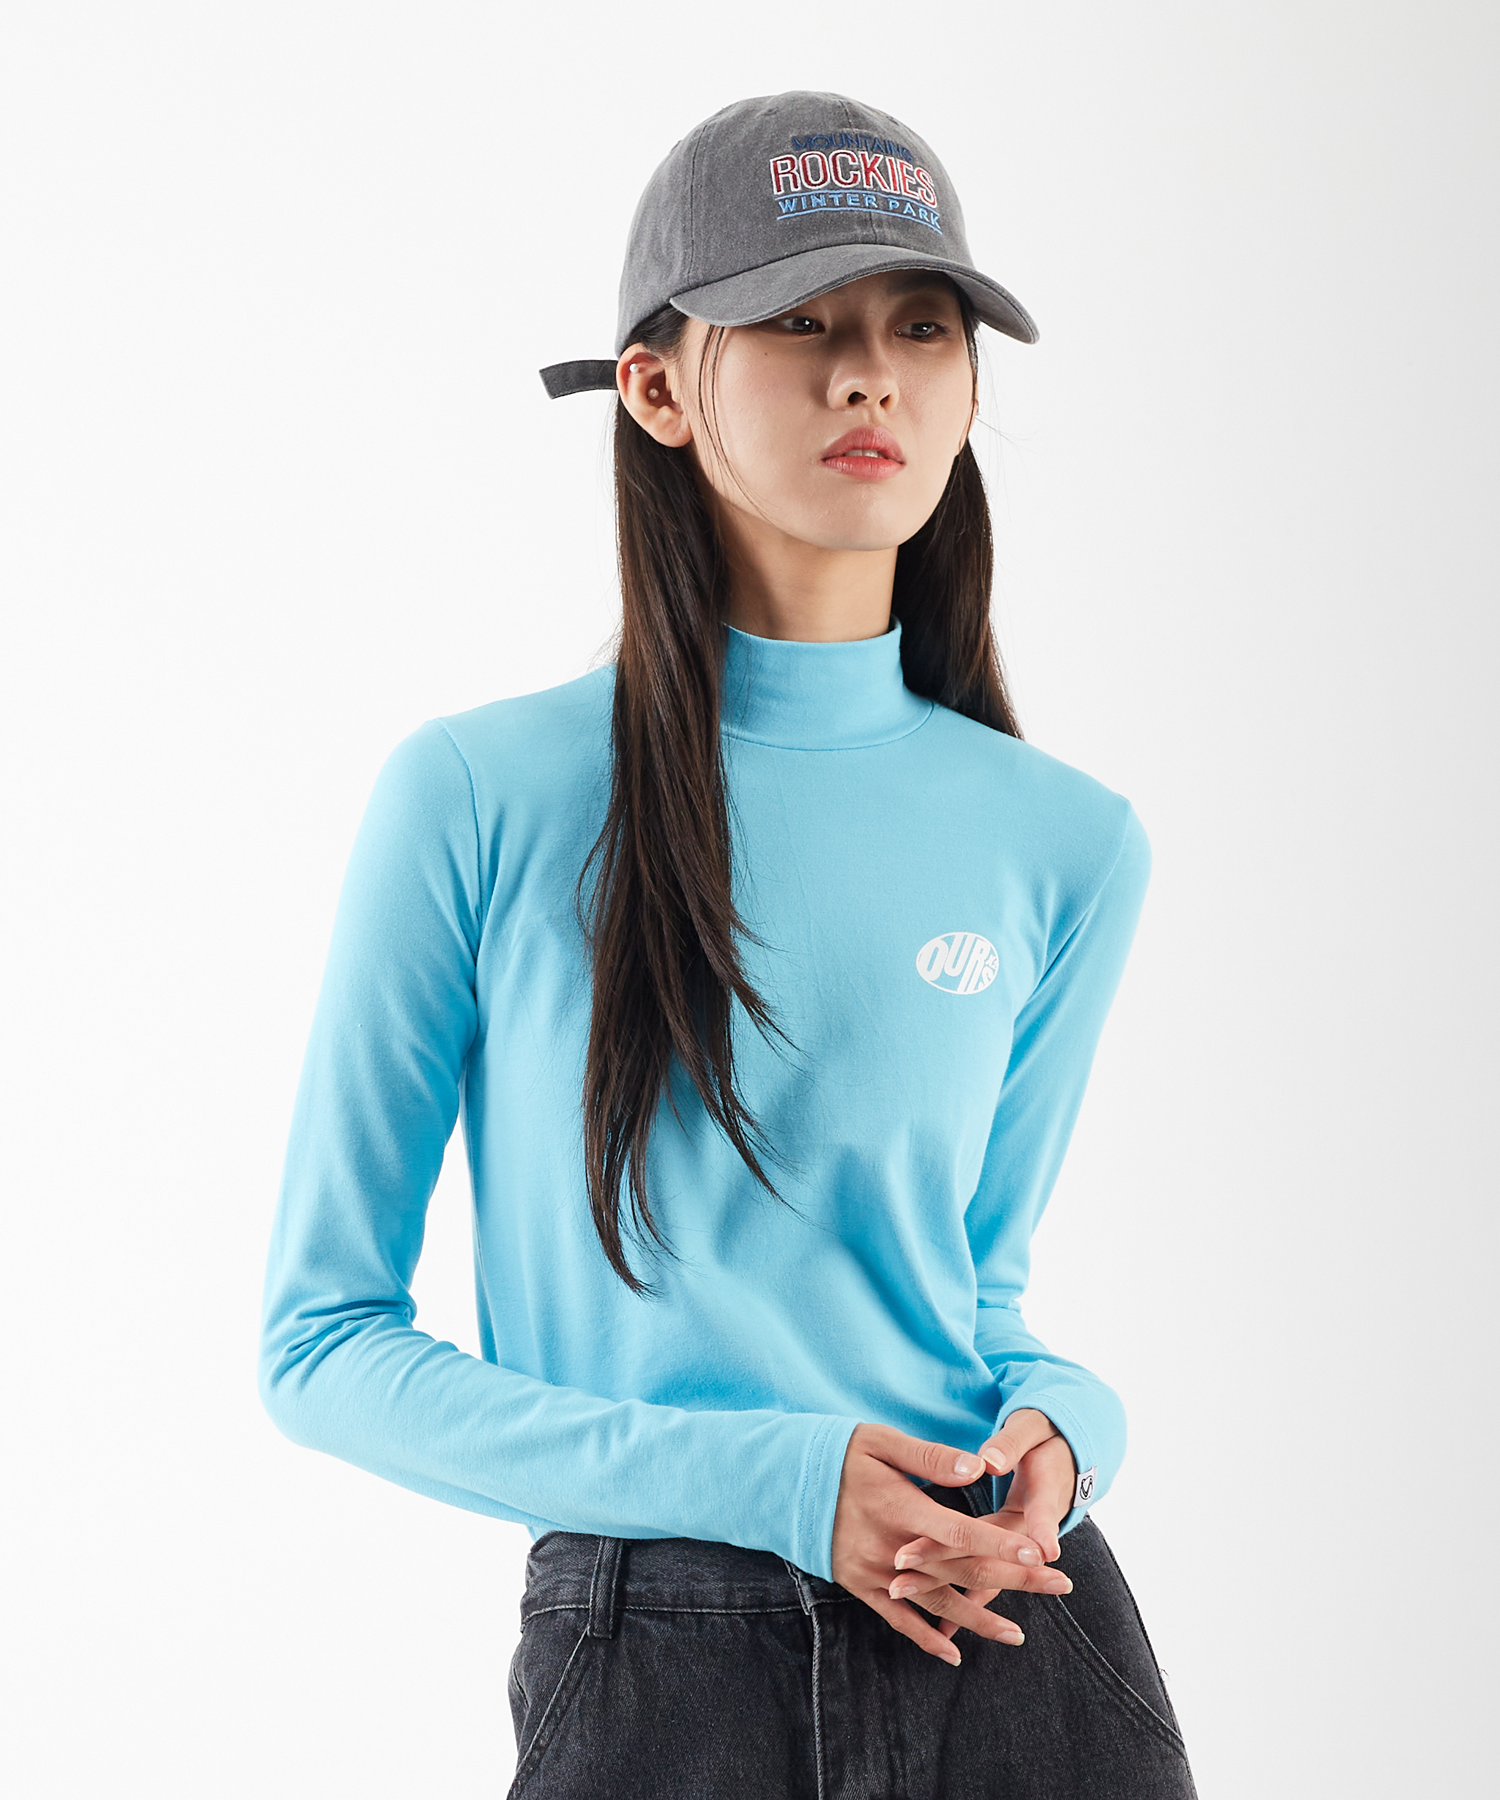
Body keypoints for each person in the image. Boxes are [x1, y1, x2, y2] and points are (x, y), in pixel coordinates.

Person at [259, 89, 1198, 1799]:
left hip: (1018, 1633)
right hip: (661, 1655)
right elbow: (322, 1346)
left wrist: (1075, 1425)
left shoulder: (1068, 842)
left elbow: (975, 1295)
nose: (871, 377)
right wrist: (776, 1484)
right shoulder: (479, 793)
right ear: (656, 387)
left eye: (922, 327)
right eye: (800, 322)